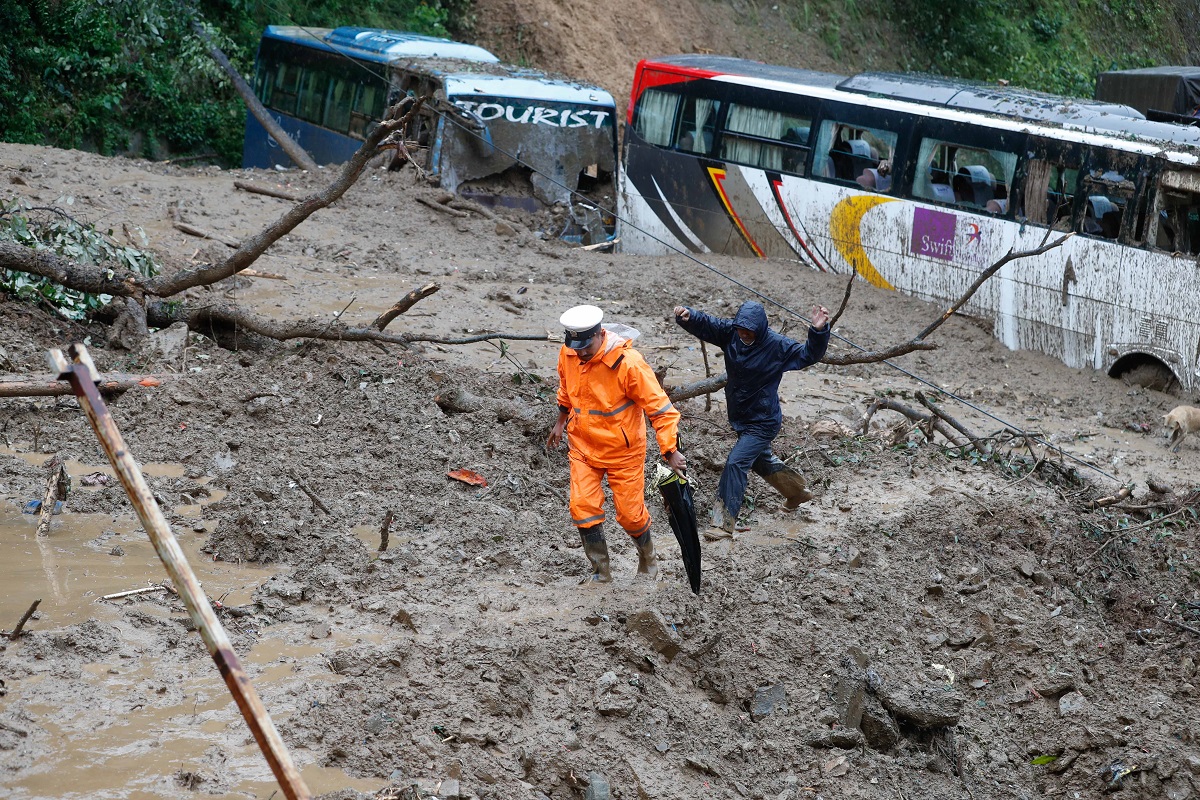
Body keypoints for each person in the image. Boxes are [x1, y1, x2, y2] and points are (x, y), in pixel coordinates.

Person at [547, 305, 687, 583]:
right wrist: (561, 421)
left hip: (623, 452)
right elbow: (566, 387)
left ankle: (648, 560)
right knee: (582, 507)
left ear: (600, 334)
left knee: (630, 516)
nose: (581, 353)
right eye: (576, 347)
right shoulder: (570, 352)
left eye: (586, 347)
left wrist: (669, 450)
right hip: (583, 446)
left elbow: (661, 410)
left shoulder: (629, 364)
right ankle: (601, 572)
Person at [673, 300, 830, 532]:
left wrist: (818, 332)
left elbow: (808, 354)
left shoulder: (777, 346)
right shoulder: (731, 333)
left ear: (760, 330)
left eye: (749, 333)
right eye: (741, 331)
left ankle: (722, 524)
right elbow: (709, 324)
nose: (744, 336)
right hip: (740, 415)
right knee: (759, 460)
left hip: (764, 420)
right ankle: (797, 492)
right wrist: (689, 316)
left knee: (736, 462)